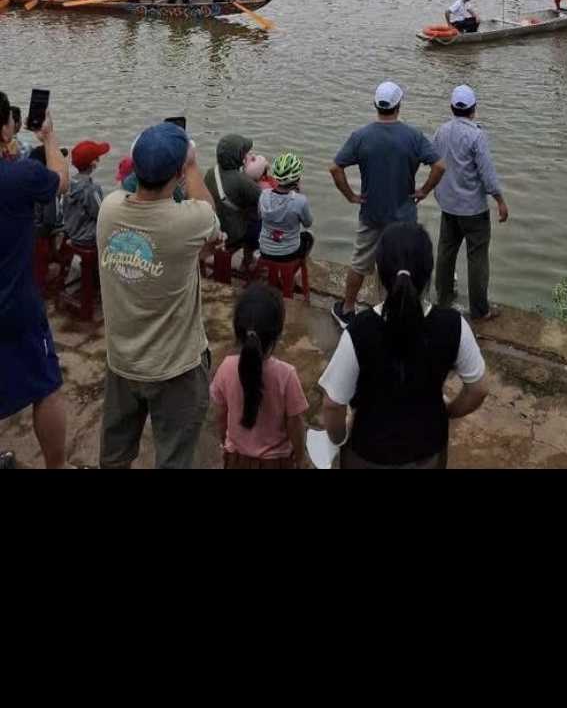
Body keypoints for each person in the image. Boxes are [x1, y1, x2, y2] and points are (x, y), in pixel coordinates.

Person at [97, 122, 222, 469]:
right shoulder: (189, 222)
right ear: (179, 173)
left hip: (122, 361)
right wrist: (194, 165)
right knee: (174, 458)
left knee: (115, 455)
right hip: (176, 367)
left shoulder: (109, 209)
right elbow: (209, 213)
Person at [318, 222, 488, 470]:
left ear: (379, 272)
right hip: (428, 451)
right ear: (428, 271)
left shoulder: (360, 330)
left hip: (368, 453)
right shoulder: (454, 325)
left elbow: (332, 404)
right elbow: (479, 389)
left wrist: (338, 438)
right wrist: (448, 411)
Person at [328, 81, 444, 330]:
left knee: (360, 263)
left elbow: (335, 168)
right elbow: (440, 165)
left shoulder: (361, 136)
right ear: (398, 105)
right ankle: (406, 312)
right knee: (405, 266)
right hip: (403, 218)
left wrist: (351, 195)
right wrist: (424, 190)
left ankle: (347, 309)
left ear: (376, 105)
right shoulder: (413, 136)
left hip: (371, 214)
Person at [0, 92, 71, 468]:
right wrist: (48, 137)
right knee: (46, 386)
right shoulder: (20, 175)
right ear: (4, 128)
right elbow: (60, 180)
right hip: (16, 305)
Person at [210, 283, 308, 469]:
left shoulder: (226, 367)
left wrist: (225, 442)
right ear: (277, 334)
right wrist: (301, 459)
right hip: (275, 463)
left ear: (238, 330)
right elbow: (295, 425)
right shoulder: (286, 375)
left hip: (236, 460)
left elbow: (221, 415)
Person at [433, 85, 509, 323]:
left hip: (448, 206)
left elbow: (434, 162)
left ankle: (443, 299)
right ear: (474, 109)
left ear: (451, 108)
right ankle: (480, 309)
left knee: (446, 252)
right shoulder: (477, 135)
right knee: (477, 257)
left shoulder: (441, 131)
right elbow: (487, 175)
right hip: (474, 210)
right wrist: (500, 200)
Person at [204, 133, 263, 263]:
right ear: (238, 157)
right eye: (244, 153)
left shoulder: (210, 172)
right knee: (258, 221)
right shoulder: (242, 180)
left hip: (213, 227)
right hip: (231, 234)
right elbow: (263, 199)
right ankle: (248, 260)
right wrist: (257, 173)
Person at [258, 152, 314, 262]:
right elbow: (308, 223)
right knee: (310, 236)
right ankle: (301, 262)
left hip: (264, 250)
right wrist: (300, 193)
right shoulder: (300, 200)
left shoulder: (264, 194)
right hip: (289, 253)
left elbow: (260, 216)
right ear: (297, 179)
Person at [61, 139, 111, 248]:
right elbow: (100, 215)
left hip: (72, 233)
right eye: (97, 157)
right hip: (88, 238)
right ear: (93, 163)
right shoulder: (92, 189)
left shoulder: (68, 184)